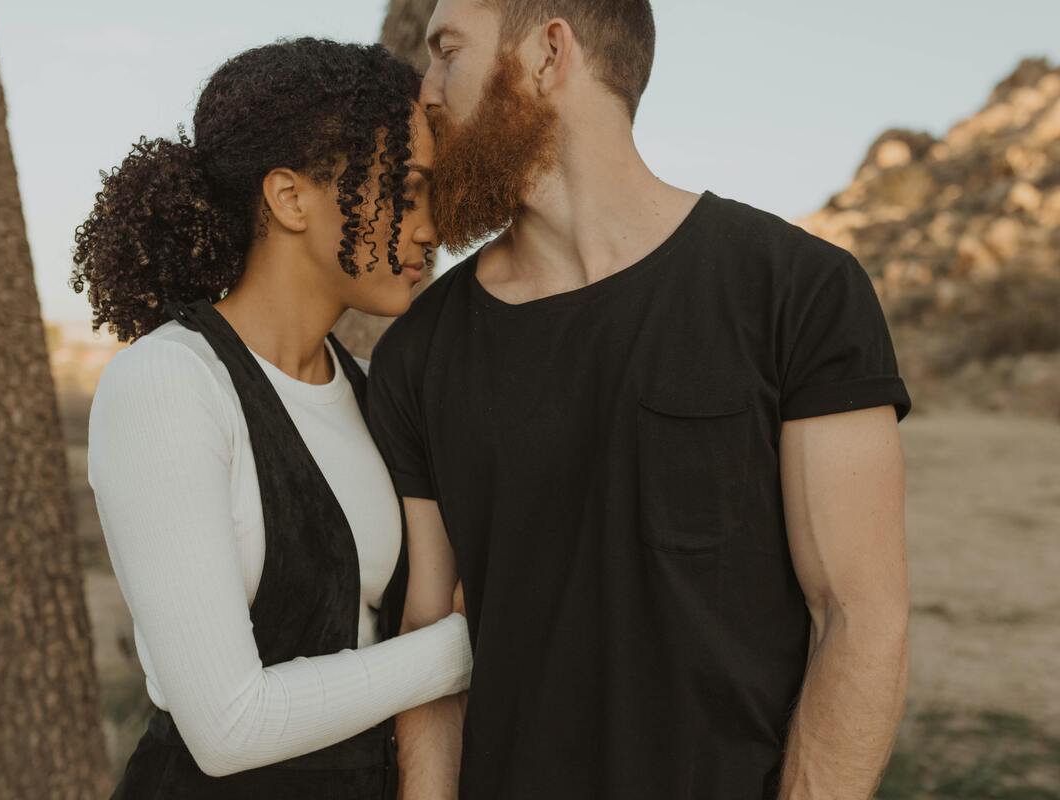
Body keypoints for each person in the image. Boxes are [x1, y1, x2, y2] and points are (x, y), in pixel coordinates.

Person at [365, 1, 913, 798]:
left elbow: (858, 620)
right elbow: (428, 641)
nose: (428, 94)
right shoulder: (419, 353)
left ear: (549, 53)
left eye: (447, 51)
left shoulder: (797, 291)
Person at [71, 38, 471, 799]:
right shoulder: (169, 385)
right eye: (405, 190)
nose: (430, 229)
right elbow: (229, 727)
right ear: (289, 199)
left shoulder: (364, 389)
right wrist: (479, 642)